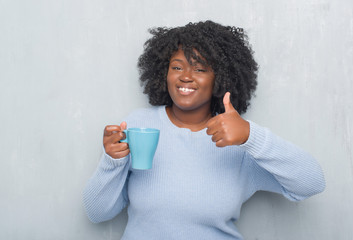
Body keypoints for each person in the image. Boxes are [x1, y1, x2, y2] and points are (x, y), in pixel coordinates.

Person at [83, 20, 325, 240]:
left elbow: (311, 183)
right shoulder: (138, 125)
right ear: (163, 73)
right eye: (177, 67)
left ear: (220, 78)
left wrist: (251, 136)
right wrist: (112, 161)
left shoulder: (238, 141)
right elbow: (97, 213)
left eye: (200, 69)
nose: (186, 77)